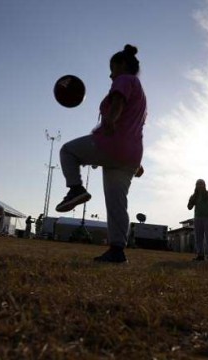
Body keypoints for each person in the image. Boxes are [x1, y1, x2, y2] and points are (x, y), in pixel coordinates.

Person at [55, 44, 147, 263]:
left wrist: (111, 118)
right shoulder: (141, 92)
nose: (110, 74)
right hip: (131, 154)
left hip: (112, 144)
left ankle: (75, 189)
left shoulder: (124, 80)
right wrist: (137, 163)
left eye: (112, 68)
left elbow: (118, 102)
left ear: (122, 65)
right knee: (117, 203)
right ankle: (117, 251)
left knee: (67, 151)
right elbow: (134, 126)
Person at [188, 179, 208, 261]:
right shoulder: (194, 195)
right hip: (197, 218)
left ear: (204, 185)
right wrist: (192, 199)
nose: (200, 186)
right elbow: (189, 207)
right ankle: (200, 255)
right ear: (196, 186)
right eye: (198, 184)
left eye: (201, 184)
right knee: (198, 238)